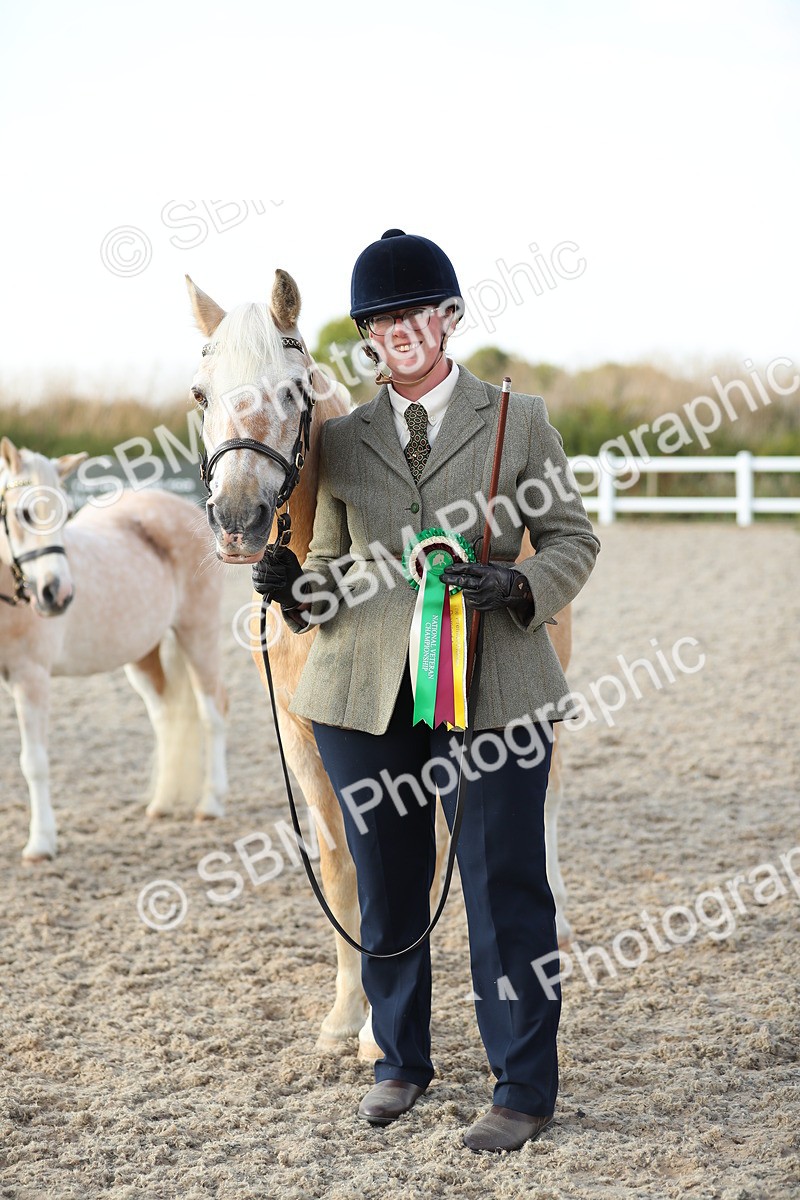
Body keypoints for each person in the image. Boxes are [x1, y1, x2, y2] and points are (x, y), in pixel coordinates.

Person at [253, 229, 600, 1152]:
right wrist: (295, 591)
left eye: (415, 313)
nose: (400, 330)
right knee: (387, 883)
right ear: (367, 335)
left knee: (504, 885)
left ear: (448, 318)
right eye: (381, 319)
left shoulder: (518, 420)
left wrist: (518, 584)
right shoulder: (338, 439)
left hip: (496, 682)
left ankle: (522, 1085)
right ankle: (399, 1061)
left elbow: (575, 538)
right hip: (363, 691)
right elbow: (332, 567)